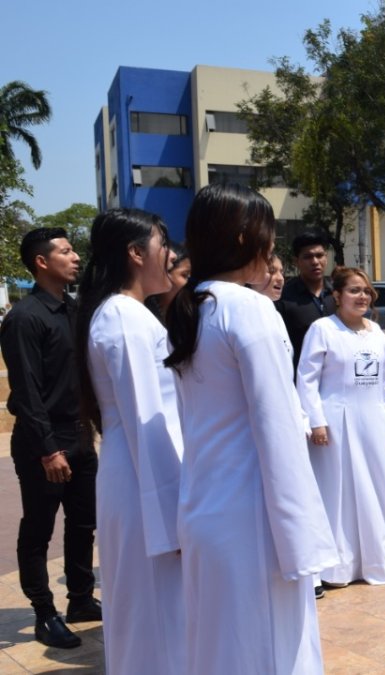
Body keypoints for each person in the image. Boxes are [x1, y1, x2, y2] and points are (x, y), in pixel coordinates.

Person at [165, 183, 337, 673]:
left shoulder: (191, 304)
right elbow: (278, 430)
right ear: (243, 239)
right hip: (253, 516)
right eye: (267, 235)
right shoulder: (248, 308)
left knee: (222, 646)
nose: (272, 249)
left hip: (205, 507)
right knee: (271, 649)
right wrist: (302, 538)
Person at [77, 209, 185, 673]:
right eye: (164, 245)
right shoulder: (123, 318)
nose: (173, 255)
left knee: (156, 606)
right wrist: (173, 520)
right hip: (145, 483)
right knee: (150, 606)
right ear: (136, 253)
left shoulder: (129, 315)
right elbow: (147, 420)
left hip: (143, 477)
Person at [1, 228, 101, 649]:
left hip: (80, 438)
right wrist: (48, 450)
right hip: (45, 445)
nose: (75, 256)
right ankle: (44, 611)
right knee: (39, 528)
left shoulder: (74, 310)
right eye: (65, 251)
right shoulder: (25, 318)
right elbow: (25, 392)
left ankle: (80, 599)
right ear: (42, 262)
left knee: (83, 524)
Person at [297, 267, 385, 586]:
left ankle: (379, 557)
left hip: (373, 421)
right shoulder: (322, 329)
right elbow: (307, 380)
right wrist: (316, 421)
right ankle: (339, 565)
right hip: (335, 422)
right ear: (337, 296)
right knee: (338, 490)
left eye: (366, 290)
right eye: (354, 290)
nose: (362, 296)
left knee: (378, 486)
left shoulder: (377, 332)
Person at [277, 231, 336, 369]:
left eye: (319, 255)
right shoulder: (283, 297)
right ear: (296, 261)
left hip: (336, 379)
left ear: (326, 258)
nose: (315, 262)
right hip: (299, 378)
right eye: (308, 257)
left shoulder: (338, 294)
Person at [145, 242, 190, 321]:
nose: (189, 282)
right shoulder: (144, 317)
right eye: (184, 275)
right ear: (164, 274)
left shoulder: (187, 317)